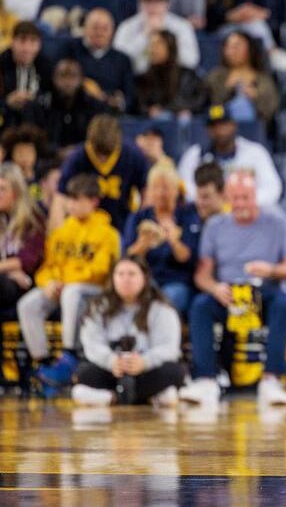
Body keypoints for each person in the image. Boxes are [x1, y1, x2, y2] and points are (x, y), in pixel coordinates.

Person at [179, 171, 286, 406]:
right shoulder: (215, 225)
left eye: (245, 197)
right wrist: (215, 288)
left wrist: (271, 270)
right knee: (200, 305)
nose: (241, 204)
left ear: (255, 196)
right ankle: (205, 380)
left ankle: (271, 380)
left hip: (264, 291)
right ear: (227, 198)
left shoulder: (277, 221)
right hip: (228, 294)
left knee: (284, 304)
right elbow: (202, 274)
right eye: (235, 198)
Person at [18, 174, 120, 396]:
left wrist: (66, 281)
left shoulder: (108, 233)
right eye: (70, 199)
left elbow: (100, 270)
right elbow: (47, 267)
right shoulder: (61, 232)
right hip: (63, 288)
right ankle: (44, 364)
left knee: (72, 292)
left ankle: (69, 355)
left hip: (95, 291)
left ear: (94, 201)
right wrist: (49, 282)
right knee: (28, 304)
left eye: (78, 199)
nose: (72, 205)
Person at [73, 257, 185, 407]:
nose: (126, 280)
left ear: (144, 278)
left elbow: (169, 348)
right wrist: (111, 361)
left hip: (147, 371)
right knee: (83, 373)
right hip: (112, 370)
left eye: (132, 274)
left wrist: (144, 362)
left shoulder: (162, 308)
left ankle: (112, 397)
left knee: (175, 372)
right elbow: (91, 344)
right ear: (113, 278)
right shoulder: (98, 306)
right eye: (120, 274)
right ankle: (145, 397)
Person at [124, 166, 202, 315]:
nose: (161, 193)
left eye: (166, 188)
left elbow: (189, 259)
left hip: (176, 282)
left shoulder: (187, 216)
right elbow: (127, 258)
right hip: (145, 279)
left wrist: (173, 240)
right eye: (155, 188)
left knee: (165, 299)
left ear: (176, 190)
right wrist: (143, 244)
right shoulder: (139, 217)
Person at [53, 115, 150, 232]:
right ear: (89, 144)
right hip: (83, 228)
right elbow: (60, 197)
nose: (102, 159)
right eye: (98, 153)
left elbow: (146, 191)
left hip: (121, 225)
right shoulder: (77, 158)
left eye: (107, 154)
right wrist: (59, 233)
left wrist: (139, 223)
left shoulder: (133, 155)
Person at [178, 106, 283, 205]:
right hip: (208, 212)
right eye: (214, 126)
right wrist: (211, 200)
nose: (219, 130)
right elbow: (184, 187)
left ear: (234, 126)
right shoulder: (195, 154)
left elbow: (273, 188)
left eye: (223, 125)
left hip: (248, 211)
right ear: (208, 130)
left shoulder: (255, 152)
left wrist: (241, 201)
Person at [114, 0, 200, 75]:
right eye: (148, 2)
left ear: (167, 5)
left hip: (172, 76)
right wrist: (144, 35)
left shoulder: (182, 26)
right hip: (138, 77)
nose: (153, 7)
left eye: (158, 2)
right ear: (139, 5)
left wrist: (164, 37)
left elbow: (191, 60)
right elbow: (118, 60)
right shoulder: (126, 27)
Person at [64, 8, 136, 114]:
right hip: (76, 111)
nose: (100, 33)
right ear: (85, 28)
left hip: (110, 115)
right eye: (95, 28)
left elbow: (129, 96)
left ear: (112, 31)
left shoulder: (123, 60)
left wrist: (119, 103)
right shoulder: (69, 50)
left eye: (105, 29)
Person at [25, 58, 108, 149]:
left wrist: (77, 151)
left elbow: (98, 139)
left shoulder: (94, 106)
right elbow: (35, 140)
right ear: (54, 78)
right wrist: (55, 152)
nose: (68, 82)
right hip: (48, 156)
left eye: (73, 76)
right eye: (63, 76)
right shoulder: (40, 106)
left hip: (84, 155)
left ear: (81, 79)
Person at [205, 31, 279, 123]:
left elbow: (271, 107)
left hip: (254, 124)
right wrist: (228, 89)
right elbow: (206, 105)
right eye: (228, 47)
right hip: (219, 119)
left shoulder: (263, 79)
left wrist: (256, 96)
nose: (232, 51)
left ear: (249, 49)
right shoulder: (216, 76)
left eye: (237, 46)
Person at [0, 163, 45, 314]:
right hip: (8, 278)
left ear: (16, 192)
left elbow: (27, 261)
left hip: (26, 284)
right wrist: (8, 271)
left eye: (2, 189)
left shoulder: (33, 220)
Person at [134, 30, 208, 118]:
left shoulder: (187, 75)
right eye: (151, 45)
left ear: (170, 48)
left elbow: (200, 99)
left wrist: (183, 109)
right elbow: (139, 105)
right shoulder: (143, 79)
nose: (152, 50)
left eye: (157, 45)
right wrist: (148, 111)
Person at [0, 21, 53, 125]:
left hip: (37, 124)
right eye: (22, 41)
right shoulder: (2, 64)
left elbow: (53, 99)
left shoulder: (46, 66)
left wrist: (36, 99)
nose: (27, 48)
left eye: (33, 41)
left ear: (39, 44)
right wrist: (7, 102)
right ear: (12, 42)